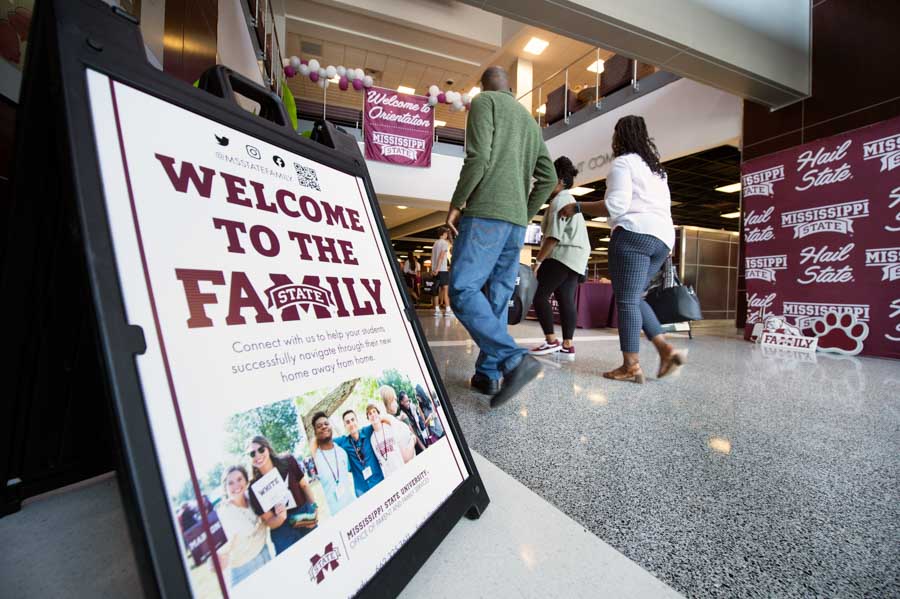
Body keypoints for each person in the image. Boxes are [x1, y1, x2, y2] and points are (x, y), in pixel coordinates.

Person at [444, 66, 556, 406]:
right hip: (515, 225)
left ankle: (513, 360)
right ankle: (488, 376)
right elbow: (548, 178)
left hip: (486, 213)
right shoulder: (528, 121)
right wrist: (523, 211)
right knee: (496, 299)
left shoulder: (485, 103)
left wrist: (456, 204)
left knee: (463, 289)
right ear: (510, 86)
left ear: (483, 86)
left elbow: (478, 158)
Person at [558, 115, 686, 383]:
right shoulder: (657, 170)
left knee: (627, 301)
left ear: (619, 137)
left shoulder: (623, 163)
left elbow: (616, 205)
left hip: (634, 236)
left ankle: (631, 366)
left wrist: (578, 207)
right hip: (662, 239)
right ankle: (666, 349)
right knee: (635, 297)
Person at [529, 156, 590, 362]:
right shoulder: (569, 200)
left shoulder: (560, 200)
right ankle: (567, 345)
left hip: (562, 254)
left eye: (549, 176)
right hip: (576, 258)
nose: (545, 181)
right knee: (566, 300)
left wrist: (537, 262)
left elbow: (553, 236)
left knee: (539, 297)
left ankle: (551, 340)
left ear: (561, 180)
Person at [246, 436, 318, 556]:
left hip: (303, 515)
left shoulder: (288, 461)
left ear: (268, 448)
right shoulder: (254, 488)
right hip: (282, 529)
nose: (258, 455)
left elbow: (305, 486)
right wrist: (280, 517)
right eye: (252, 454)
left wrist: (314, 508)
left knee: (318, 551)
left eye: (261, 450)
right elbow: (268, 520)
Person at [216, 465, 271, 587]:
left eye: (239, 479)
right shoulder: (224, 512)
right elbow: (220, 549)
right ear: (225, 488)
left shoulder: (253, 498)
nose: (236, 485)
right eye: (230, 483)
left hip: (265, 555)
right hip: (244, 569)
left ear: (246, 480)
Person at [312, 410, 386, 497]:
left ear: (357, 421)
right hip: (362, 491)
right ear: (345, 426)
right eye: (347, 422)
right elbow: (318, 441)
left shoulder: (367, 431)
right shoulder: (343, 442)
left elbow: (382, 419)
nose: (351, 424)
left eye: (352, 420)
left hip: (379, 482)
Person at [310, 412, 355, 516]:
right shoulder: (315, 459)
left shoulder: (342, 452)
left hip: (353, 508)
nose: (324, 427)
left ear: (331, 426)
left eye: (326, 424)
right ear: (315, 433)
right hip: (334, 517)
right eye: (319, 426)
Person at [365, 404, 409, 478]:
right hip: (388, 475)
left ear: (378, 414)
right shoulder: (372, 439)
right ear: (368, 418)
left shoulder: (389, 427)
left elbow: (403, 433)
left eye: (374, 411)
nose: (372, 415)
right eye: (370, 414)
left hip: (401, 467)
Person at [378, 385, 419, 461]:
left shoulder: (389, 421)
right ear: (388, 401)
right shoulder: (390, 422)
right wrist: (413, 439)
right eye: (394, 400)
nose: (396, 404)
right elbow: (406, 457)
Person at [431, 228, 452, 317]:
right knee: (445, 290)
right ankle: (447, 310)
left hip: (435, 270)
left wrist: (433, 269)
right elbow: (441, 257)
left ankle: (437, 310)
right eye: (446, 234)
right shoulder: (444, 243)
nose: (447, 235)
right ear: (444, 234)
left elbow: (432, 257)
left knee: (436, 290)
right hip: (442, 270)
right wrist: (439, 269)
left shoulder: (435, 243)